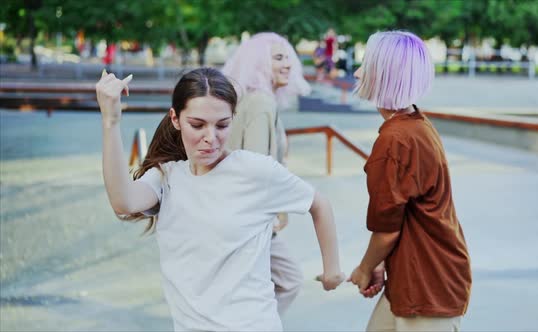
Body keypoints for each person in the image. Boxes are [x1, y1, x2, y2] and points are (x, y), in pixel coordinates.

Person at [96, 67, 345, 331]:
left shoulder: (255, 170)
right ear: (175, 119)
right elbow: (123, 202)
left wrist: (332, 271)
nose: (210, 138)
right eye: (197, 125)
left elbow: (319, 204)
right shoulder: (166, 177)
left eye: (222, 125)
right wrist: (110, 122)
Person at [347, 31, 472, 331]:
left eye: (366, 63)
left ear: (382, 74)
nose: (357, 71)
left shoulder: (395, 140)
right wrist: (379, 263)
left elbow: (387, 230)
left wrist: (365, 269)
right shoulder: (416, 124)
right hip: (414, 278)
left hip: (426, 285)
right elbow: (397, 219)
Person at [221, 32, 312, 317]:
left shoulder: (249, 99)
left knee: (248, 286)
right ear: (258, 63)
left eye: (288, 57)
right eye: (278, 58)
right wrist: (274, 211)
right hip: (251, 217)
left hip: (236, 212)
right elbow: (258, 167)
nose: (287, 64)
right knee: (290, 279)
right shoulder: (261, 103)